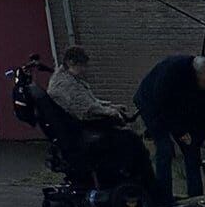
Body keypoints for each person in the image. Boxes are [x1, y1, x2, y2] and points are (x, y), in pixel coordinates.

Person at [46, 47, 153, 190]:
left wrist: (111, 106)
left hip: (78, 130)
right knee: (131, 140)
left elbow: (90, 102)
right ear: (70, 62)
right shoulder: (65, 85)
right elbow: (86, 110)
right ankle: (145, 183)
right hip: (83, 133)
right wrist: (111, 112)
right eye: (82, 65)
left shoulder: (67, 79)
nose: (84, 70)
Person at [134, 53, 205, 206]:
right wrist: (180, 132)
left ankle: (196, 195)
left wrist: (196, 138)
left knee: (192, 150)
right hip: (153, 105)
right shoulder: (173, 72)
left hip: (177, 109)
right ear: (197, 74)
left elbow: (202, 114)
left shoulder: (204, 86)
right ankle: (163, 197)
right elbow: (164, 104)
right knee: (165, 148)